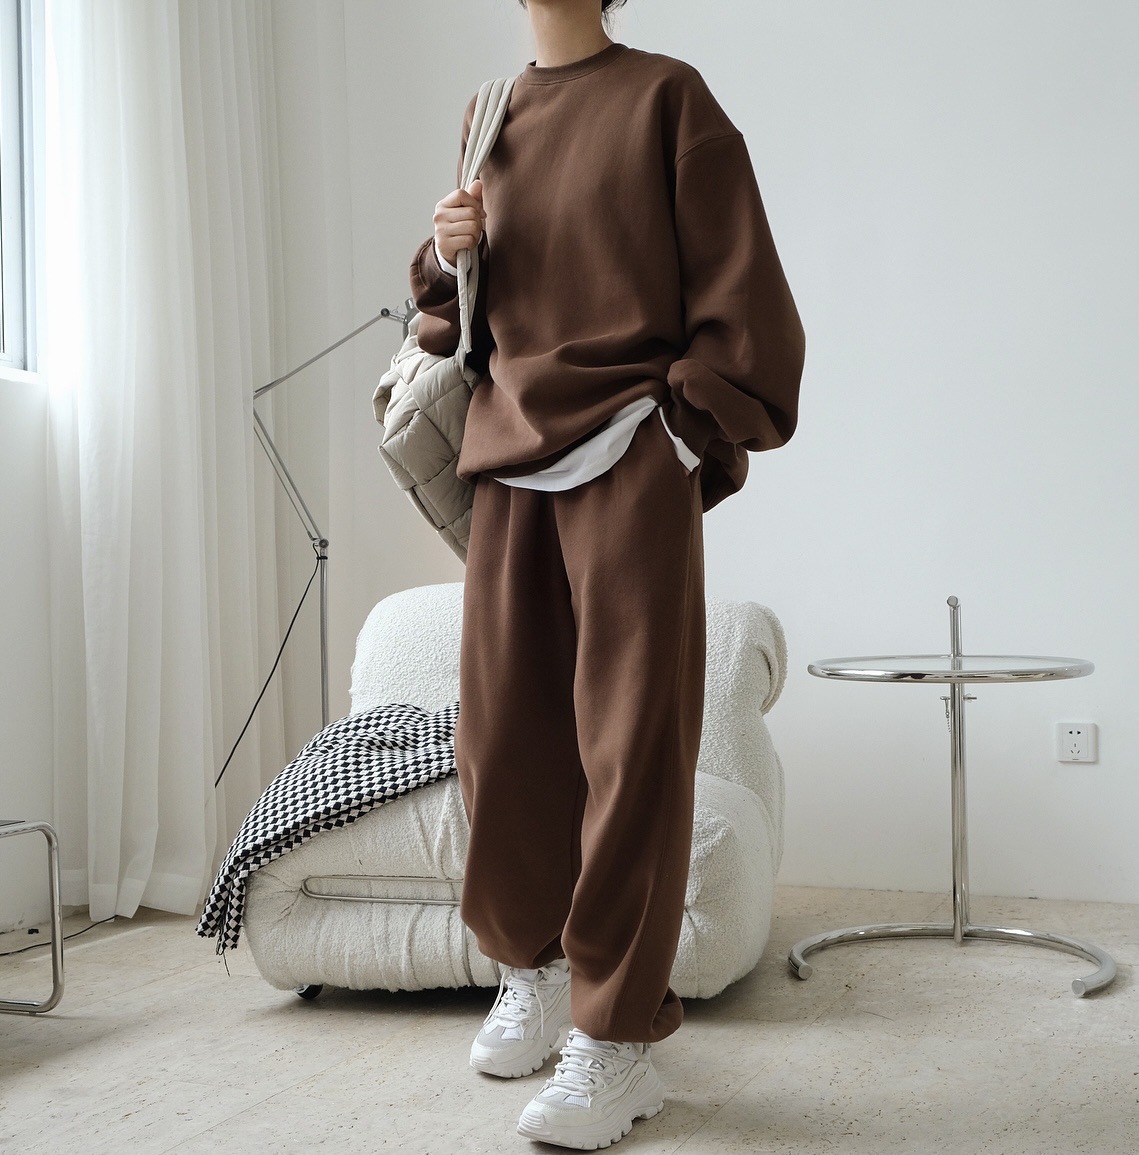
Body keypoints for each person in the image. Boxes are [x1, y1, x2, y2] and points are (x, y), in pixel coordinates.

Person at [408, 0, 805, 1148]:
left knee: (630, 747)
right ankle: (533, 969)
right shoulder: (489, 113)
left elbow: (748, 303)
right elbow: (455, 318)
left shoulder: (667, 100)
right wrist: (446, 251)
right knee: (501, 737)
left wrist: (679, 433)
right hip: (506, 457)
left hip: (630, 450)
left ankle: (616, 1040)